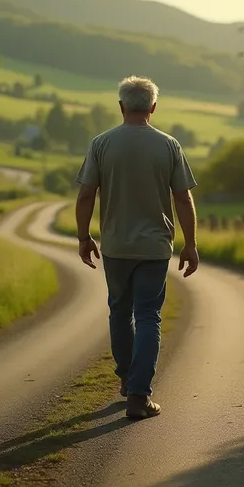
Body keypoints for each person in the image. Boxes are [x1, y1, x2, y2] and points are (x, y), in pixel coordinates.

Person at [75, 76, 199, 420]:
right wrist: (190, 244)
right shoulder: (169, 145)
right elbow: (183, 198)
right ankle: (139, 394)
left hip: (115, 246)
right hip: (155, 247)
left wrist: (84, 237)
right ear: (153, 107)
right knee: (148, 315)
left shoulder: (101, 143)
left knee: (119, 310)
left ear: (121, 106)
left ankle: (128, 381)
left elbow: (86, 194)